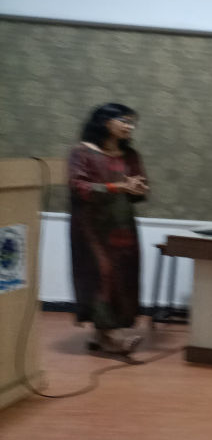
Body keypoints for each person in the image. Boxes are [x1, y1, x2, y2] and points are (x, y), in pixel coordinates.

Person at [68, 103, 148, 355]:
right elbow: (79, 187)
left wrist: (138, 189)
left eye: (131, 122)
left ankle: (104, 334)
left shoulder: (130, 155)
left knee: (124, 275)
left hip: (122, 224)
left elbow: (138, 191)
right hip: (91, 228)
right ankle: (111, 335)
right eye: (123, 120)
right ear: (104, 122)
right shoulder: (82, 153)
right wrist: (117, 187)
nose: (129, 126)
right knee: (101, 274)